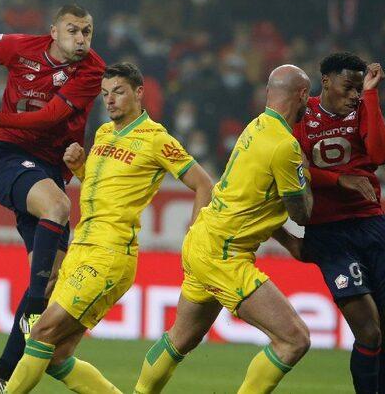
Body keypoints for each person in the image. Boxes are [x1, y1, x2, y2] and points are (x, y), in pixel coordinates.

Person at [4, 62, 214, 393]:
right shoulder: (103, 133)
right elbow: (101, 188)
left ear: (139, 92)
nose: (110, 100)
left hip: (109, 255)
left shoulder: (157, 139)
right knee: (56, 357)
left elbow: (204, 184)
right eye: (105, 94)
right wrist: (80, 167)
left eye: (118, 92)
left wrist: (196, 236)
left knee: (41, 331)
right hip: (81, 248)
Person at [0, 4, 105, 392]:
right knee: (59, 207)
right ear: (54, 31)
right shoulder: (22, 47)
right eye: (74, 30)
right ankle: (29, 314)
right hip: (7, 158)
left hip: (47, 172)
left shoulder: (92, 70)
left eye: (87, 32)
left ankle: (2, 372)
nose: (81, 39)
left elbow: (50, 117)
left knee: (51, 283)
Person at [134, 65, 313, 394]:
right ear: (302, 96)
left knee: (180, 340)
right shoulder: (286, 147)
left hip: (202, 239)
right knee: (294, 339)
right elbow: (302, 212)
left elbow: (254, 202)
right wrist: (307, 179)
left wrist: (287, 242)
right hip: (225, 255)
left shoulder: (255, 128)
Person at [291, 52, 385, 394]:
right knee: (369, 332)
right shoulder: (303, 114)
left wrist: (371, 95)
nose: (354, 95)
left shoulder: (363, 108)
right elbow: (292, 167)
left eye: (359, 89)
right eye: (349, 87)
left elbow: (380, 155)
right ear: (326, 81)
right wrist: (338, 180)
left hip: (373, 224)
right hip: (329, 231)